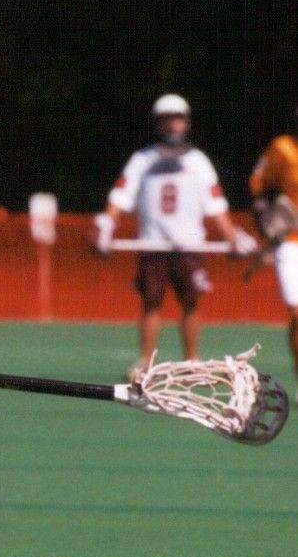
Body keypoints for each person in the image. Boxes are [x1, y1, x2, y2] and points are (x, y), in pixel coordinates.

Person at [91, 93, 256, 367]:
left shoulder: (198, 161)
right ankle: (146, 363)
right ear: (158, 123)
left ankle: (191, 362)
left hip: (189, 245)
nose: (172, 125)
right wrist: (106, 224)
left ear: (186, 122)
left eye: (177, 119)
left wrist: (231, 237)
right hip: (152, 244)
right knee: (151, 303)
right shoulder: (142, 160)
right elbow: (121, 196)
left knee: (190, 303)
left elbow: (215, 204)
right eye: (167, 119)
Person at [247, 104, 298, 399]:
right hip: (290, 240)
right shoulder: (283, 148)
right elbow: (258, 181)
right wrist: (264, 215)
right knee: (297, 313)